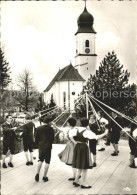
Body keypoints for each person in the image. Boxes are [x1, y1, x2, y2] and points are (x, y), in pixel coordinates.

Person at [72, 118, 108, 189]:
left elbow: (71, 135)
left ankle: (76, 181)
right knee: (85, 166)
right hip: (83, 148)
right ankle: (84, 183)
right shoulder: (87, 132)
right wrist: (105, 133)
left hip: (77, 147)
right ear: (88, 124)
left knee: (80, 165)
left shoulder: (76, 129)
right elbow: (96, 137)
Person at [35, 116, 54, 182]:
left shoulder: (38, 128)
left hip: (41, 146)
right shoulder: (51, 129)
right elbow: (52, 139)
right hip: (48, 147)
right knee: (47, 161)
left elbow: (36, 138)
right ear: (49, 122)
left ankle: (37, 173)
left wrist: (39, 145)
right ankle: (44, 176)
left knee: (40, 160)